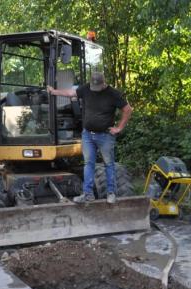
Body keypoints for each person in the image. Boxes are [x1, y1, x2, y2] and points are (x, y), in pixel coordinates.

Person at [47, 71, 133, 204]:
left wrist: (119, 128)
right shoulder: (86, 88)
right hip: (87, 135)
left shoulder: (113, 94)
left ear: (104, 83)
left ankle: (111, 193)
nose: (95, 89)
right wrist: (54, 92)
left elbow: (128, 109)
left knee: (108, 164)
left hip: (105, 136)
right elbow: (71, 93)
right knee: (88, 164)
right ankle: (88, 194)